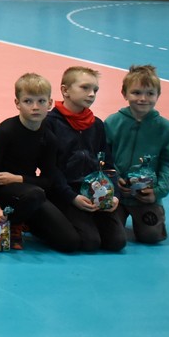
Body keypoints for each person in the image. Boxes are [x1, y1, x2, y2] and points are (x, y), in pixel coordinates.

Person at [0, 73, 81, 253]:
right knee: (35, 194)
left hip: (30, 193)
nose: (35, 107)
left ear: (50, 103)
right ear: (17, 103)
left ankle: (27, 221)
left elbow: (48, 181)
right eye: (28, 101)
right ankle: (12, 222)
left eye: (41, 101)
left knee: (71, 242)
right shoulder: (4, 132)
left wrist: (18, 178)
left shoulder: (49, 138)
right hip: (5, 192)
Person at [46, 66, 125, 252]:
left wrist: (114, 195)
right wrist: (72, 197)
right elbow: (50, 168)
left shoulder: (96, 125)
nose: (91, 94)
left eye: (95, 90)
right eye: (85, 88)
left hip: (94, 192)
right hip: (65, 193)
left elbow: (108, 164)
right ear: (65, 90)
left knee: (116, 242)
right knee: (89, 242)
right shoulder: (50, 123)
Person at [104, 64, 169, 245]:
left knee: (151, 236)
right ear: (124, 93)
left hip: (146, 196)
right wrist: (114, 179)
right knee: (110, 238)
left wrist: (157, 192)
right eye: (136, 93)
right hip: (116, 195)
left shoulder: (165, 128)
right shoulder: (112, 122)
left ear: (158, 95)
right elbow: (104, 156)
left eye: (150, 93)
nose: (143, 99)